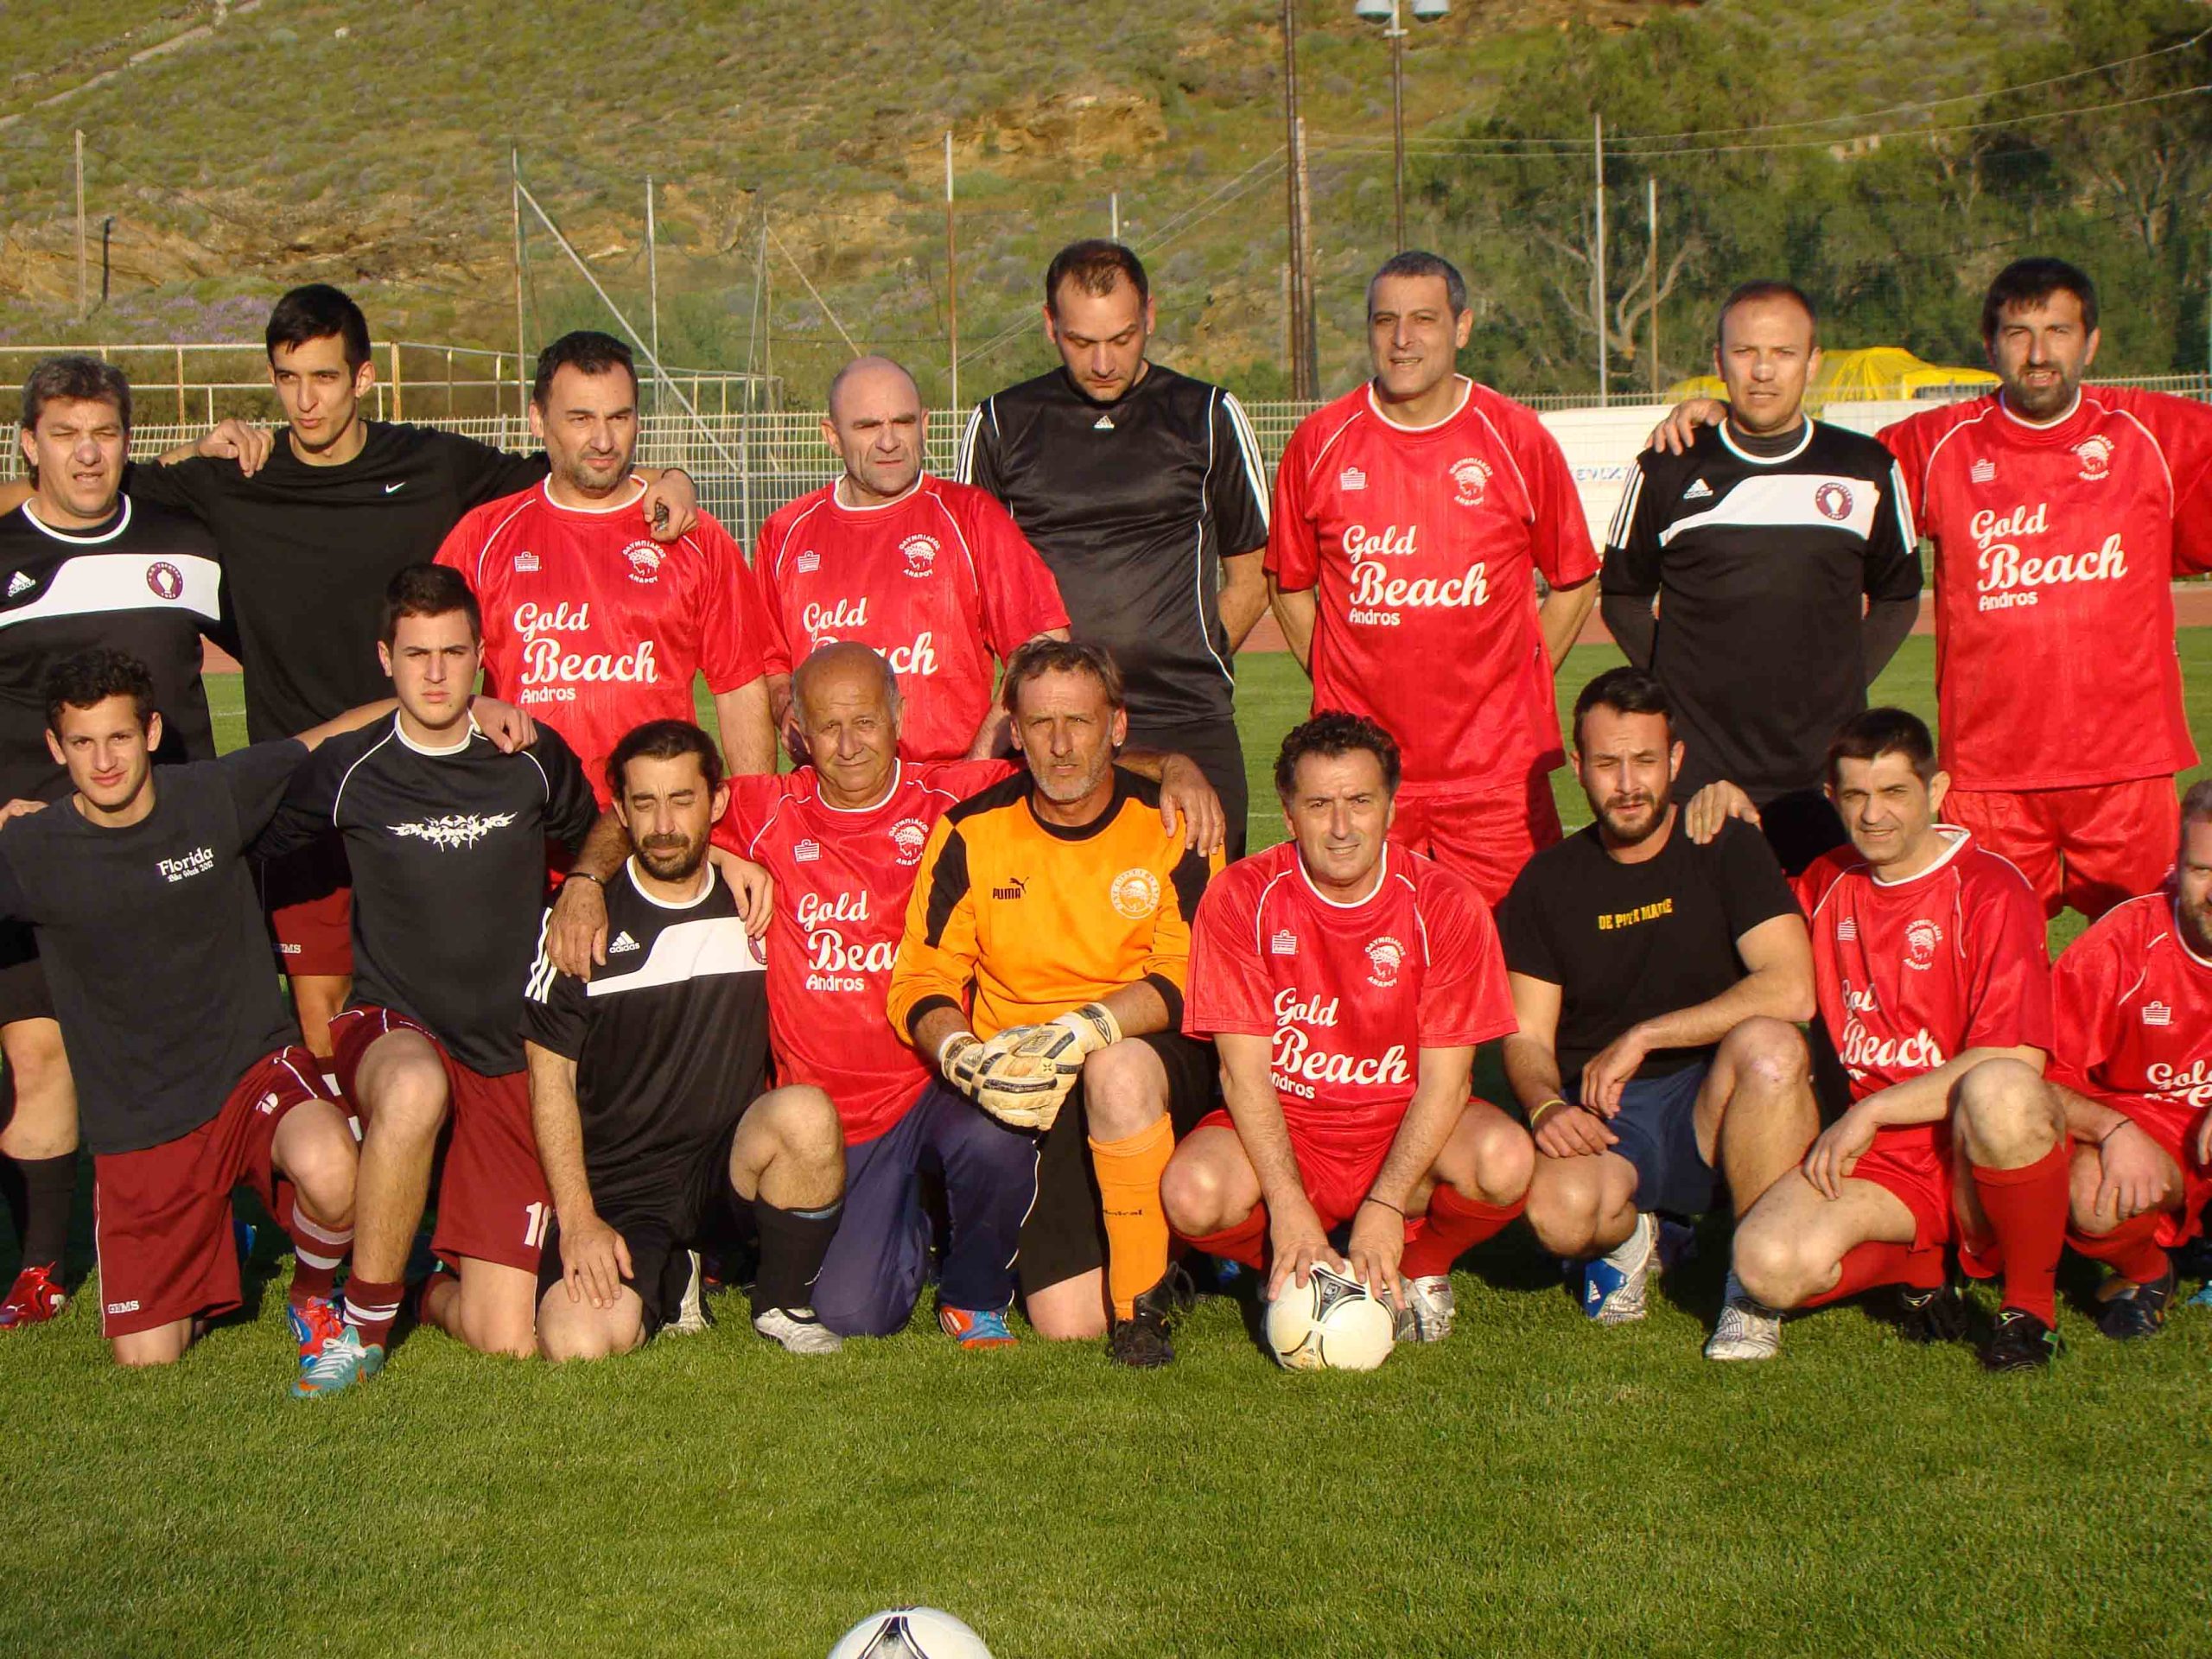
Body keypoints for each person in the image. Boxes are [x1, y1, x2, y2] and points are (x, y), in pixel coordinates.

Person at [0, 286, 698, 1058]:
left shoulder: (432, 464)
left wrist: (670, 479)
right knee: (322, 1009)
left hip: (420, 778)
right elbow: (83, 485)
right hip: (301, 787)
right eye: (288, 378)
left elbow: (577, 467)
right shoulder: (234, 477)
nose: (306, 401)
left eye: (326, 377)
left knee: (449, 987)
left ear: (363, 378)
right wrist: (191, 451)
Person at [543, 641, 1223, 1348]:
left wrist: (1176, 767)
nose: (848, 745)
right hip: (834, 1117)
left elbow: (1070, 760)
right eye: (828, 726)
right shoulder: (765, 809)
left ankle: (972, 1295)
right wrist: (589, 881)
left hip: (933, 1085)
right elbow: (655, 812)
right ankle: (899, 1232)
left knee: (996, 1131)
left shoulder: (953, 798)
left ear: (899, 716)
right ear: (797, 731)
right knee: (856, 1313)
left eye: (865, 721)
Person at [1653, 257, 2212, 920]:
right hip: (1988, 775)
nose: (2038, 354)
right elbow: (1821, 467)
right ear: (1989, 346)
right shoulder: (1937, 443)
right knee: (1983, 957)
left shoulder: (2159, 432)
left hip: (2128, 770)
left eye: (2059, 332)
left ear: (2090, 343)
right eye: (2018, 334)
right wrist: (1733, 420)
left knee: (2155, 954)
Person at [0, 648, 415, 1390]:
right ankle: (223, 1236)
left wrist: (461, 707)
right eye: (83, 743)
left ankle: (311, 1295)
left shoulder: (211, 796)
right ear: (56, 749)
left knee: (333, 1169)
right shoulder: (33, 851)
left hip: (248, 1072)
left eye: (120, 737)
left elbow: (329, 737)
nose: (104, 761)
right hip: (142, 1122)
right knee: (148, 1358)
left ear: (153, 732)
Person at [255, 566, 601, 1374]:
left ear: (481, 655)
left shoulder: (528, 754)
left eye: (453, 653)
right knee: (414, 1087)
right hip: (393, 1026)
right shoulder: (349, 767)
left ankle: (425, 1289)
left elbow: (599, 828)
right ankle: (361, 1330)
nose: (437, 674)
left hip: (506, 1049)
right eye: (417, 655)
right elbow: (249, 836)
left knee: (508, 1337)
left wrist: (585, 883)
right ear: (387, 660)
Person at [887, 639, 1223, 1366]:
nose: (1062, 745)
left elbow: (1191, 974)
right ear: (1015, 730)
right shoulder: (971, 831)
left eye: (1080, 721)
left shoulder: (1172, 822)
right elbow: (921, 978)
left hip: (1144, 1060)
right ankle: (1177, 1253)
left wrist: (1085, 1028)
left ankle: (1141, 1313)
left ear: (1118, 726)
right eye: (1041, 724)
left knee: (1116, 1070)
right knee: (1067, 1323)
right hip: (1029, 1078)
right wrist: (964, 1056)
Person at [1166, 712, 1530, 1346]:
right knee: (1191, 1193)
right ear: (1288, 813)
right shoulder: (1242, 896)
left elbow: (1448, 1083)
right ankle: (1286, 1265)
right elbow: (1242, 1074)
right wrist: (1287, 1204)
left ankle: (1422, 1263)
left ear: (1391, 808)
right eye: (1318, 805)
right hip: (1290, 1130)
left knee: (1506, 1159)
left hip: (1400, 1130)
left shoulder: (1447, 903)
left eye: (1360, 801)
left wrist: (1385, 1206)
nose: (1340, 827)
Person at [1728, 709, 2071, 1372]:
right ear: (1832, 798)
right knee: (1765, 1266)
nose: (1873, 815)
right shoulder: (1826, 881)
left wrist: (1874, 1110)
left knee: (2001, 1088)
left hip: (1974, 1145)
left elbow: (2018, 1057)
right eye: (1855, 795)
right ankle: (1920, 1269)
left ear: (1936, 790)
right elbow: (1750, 940)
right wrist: (1726, 835)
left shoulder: (1991, 888)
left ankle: (2030, 1311)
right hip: (1882, 1162)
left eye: (1893, 792)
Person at [1498, 667, 1818, 1360]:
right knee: (1558, 1216)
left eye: (1645, 761)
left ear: (1675, 760)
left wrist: (1646, 1035)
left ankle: (1750, 1288)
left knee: (1773, 1047)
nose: (1628, 784)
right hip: (1608, 1115)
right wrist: (1545, 1106)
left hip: (1719, 1101)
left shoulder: (1725, 844)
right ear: (1578, 767)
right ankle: (1639, 1234)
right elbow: (1526, 1036)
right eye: (1607, 764)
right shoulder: (1546, 883)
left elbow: (1794, 988)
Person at [0, 357, 226, 1330]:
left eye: (104, 434)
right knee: (40, 1057)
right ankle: (42, 1265)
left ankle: (211, 1230)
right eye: (65, 434)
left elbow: (280, 646)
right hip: (37, 862)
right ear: (29, 444)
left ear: (129, 442)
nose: (87, 455)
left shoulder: (188, 542)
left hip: (168, 860)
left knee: (183, 1061)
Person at [1268, 251, 1599, 906]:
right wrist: (1336, 682)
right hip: (1363, 777)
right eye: (1385, 320)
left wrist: (1520, 677)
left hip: (1496, 776)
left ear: (1462, 327)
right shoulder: (1319, 442)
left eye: (1423, 319)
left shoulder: (1518, 438)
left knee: (1512, 951)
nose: (1402, 338)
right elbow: (1289, 584)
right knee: (1369, 951)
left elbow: (1575, 579)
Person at [524, 721, 846, 1358]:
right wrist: (579, 1219)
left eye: (682, 800)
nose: (664, 825)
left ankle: (781, 1302)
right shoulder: (579, 923)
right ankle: (675, 1271)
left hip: (726, 1172)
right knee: (576, 1343)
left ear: (716, 803)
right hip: (622, 1188)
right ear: (620, 811)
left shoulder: (756, 900)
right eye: (644, 803)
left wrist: (729, 860)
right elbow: (549, 1076)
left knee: (806, 1115)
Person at [958, 241, 1270, 855]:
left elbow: (1255, 573)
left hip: (1187, 716)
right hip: (1055, 726)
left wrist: (1189, 651)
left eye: (1122, 338)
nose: (1103, 362)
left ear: (1149, 316)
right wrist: (1046, 695)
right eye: (1081, 342)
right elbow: (971, 586)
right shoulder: (1002, 423)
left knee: (1202, 911)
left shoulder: (1207, 415)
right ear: (1050, 325)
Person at [1600, 282, 1922, 874]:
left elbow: (1899, 596)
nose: (1764, 371)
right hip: (1700, 775)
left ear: (1813, 362)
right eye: (1746, 352)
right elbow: (1622, 596)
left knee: (1826, 929)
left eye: (1784, 353)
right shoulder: (1668, 466)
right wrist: (1676, 687)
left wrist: (1844, 678)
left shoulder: (1866, 468)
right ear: (1719, 361)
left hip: (1824, 772)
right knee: (1707, 931)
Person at [437, 330, 774, 803]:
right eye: (580, 419)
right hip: (527, 816)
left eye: (619, 417)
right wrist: (474, 711)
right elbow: (428, 669)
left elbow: (739, 687)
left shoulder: (693, 536)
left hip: (656, 821)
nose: (603, 440)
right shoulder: (483, 537)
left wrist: (757, 817)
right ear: (537, 420)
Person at [756, 355, 1069, 763]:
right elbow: (770, 664)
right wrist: (786, 709)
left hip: (948, 781)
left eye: (902, 423)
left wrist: (977, 763)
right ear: (832, 436)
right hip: (832, 787)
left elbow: (1043, 645)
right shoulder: (785, 533)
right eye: (868, 426)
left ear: (924, 425)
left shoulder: (971, 517)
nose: (888, 442)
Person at [2045, 780, 2212, 1338]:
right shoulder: (2121, 944)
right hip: (2150, 1132)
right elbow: (2038, 1072)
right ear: (2177, 865)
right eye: (2203, 870)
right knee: (2094, 1196)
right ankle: (2148, 1270)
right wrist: (2113, 1131)